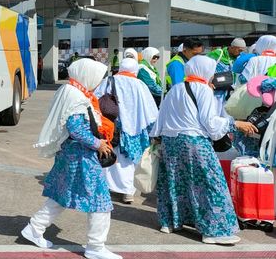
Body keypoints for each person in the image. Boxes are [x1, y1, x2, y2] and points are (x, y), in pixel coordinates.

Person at [24, 59, 122, 259]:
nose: (97, 83)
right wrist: (98, 144)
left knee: (62, 194)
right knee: (100, 201)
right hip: (81, 156)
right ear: (87, 75)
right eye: (96, 78)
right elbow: (76, 128)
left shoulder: (70, 90)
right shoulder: (77, 96)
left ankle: (35, 227)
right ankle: (96, 246)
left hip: (71, 154)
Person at [151, 56, 257, 244]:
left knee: (174, 182)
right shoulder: (204, 90)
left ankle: (170, 222)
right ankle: (213, 231)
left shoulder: (175, 89)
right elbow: (211, 123)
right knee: (210, 184)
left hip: (169, 142)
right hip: (194, 142)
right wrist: (235, 123)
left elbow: (161, 116)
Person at [95, 58, 158, 203]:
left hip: (111, 128)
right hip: (135, 130)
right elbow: (151, 111)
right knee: (130, 160)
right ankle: (128, 191)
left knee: (111, 156)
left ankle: (108, 187)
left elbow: (97, 100)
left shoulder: (109, 80)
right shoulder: (140, 84)